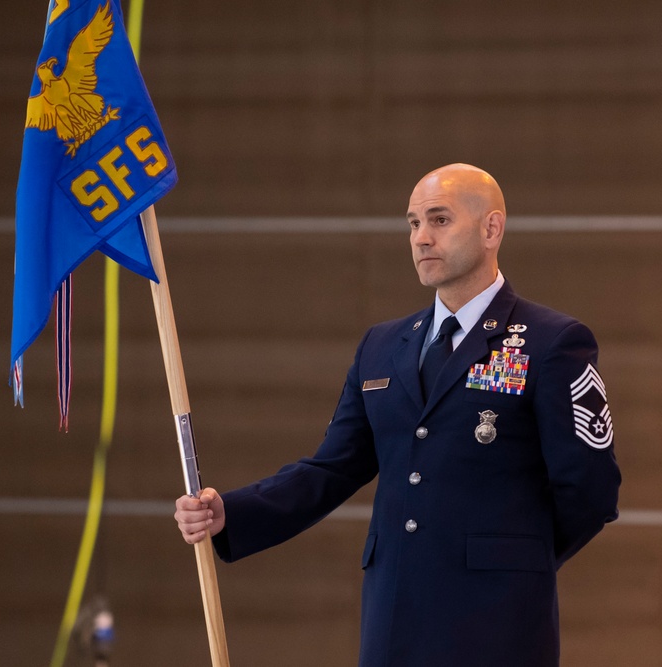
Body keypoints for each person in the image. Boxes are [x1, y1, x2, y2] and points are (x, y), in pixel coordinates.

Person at [174, 163, 621, 666]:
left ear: (491, 228)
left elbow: (590, 489)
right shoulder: (383, 346)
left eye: (439, 220)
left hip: (499, 626)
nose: (421, 238)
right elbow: (332, 468)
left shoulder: (550, 341)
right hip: (394, 622)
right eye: (412, 223)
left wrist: (514, 560)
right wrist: (230, 511)